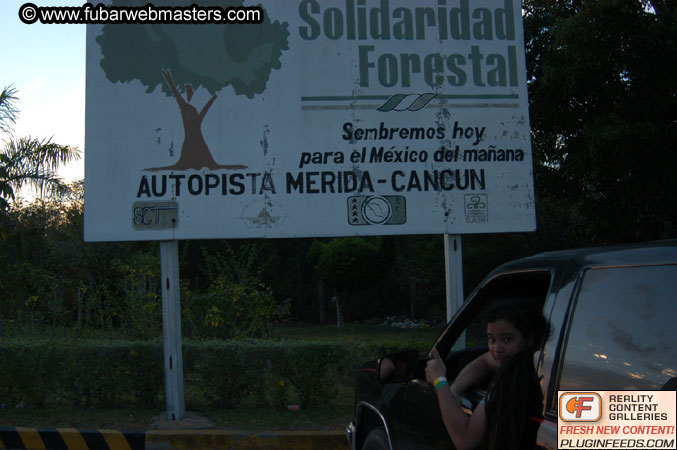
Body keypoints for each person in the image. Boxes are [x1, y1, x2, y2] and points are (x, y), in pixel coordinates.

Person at [425, 299, 548, 450]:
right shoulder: (534, 362)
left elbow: (464, 440)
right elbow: (486, 360)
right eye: (492, 339)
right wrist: (455, 390)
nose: (496, 348)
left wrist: (439, 381)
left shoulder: (512, 382)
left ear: (529, 339)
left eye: (507, 339)